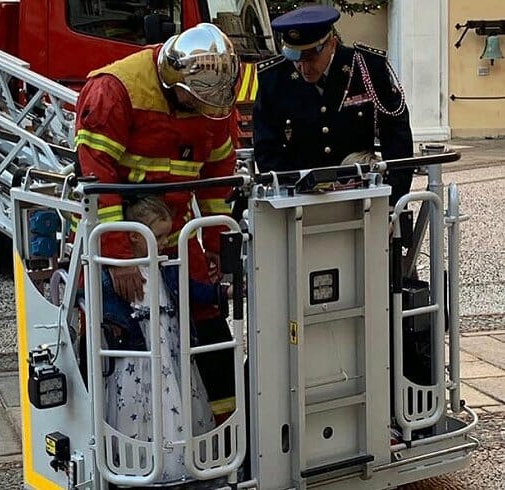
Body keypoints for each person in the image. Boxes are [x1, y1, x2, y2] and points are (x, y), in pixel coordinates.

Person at [75, 23, 239, 420]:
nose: (202, 111)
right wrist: (119, 259)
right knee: (115, 339)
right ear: (173, 81)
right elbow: (98, 183)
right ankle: (104, 436)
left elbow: (216, 186)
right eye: (194, 101)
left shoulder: (212, 103)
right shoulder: (116, 90)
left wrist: (219, 248)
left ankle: (230, 438)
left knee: (212, 332)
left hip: (178, 239)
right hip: (124, 245)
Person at [102, 195, 232, 484]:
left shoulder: (166, 267)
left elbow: (192, 290)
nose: (163, 244)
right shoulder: (114, 273)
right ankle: (145, 466)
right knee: (142, 407)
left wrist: (223, 293)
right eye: (158, 237)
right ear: (135, 237)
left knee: (177, 400)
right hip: (138, 356)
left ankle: (179, 465)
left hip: (171, 350)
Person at [253, 4, 414, 206]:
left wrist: (393, 201)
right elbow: (267, 149)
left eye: (311, 57)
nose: (303, 67)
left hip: (362, 195)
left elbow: (397, 137)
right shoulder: (274, 80)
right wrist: (290, 192)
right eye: (295, 57)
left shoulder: (366, 67)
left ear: (331, 43)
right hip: (299, 200)